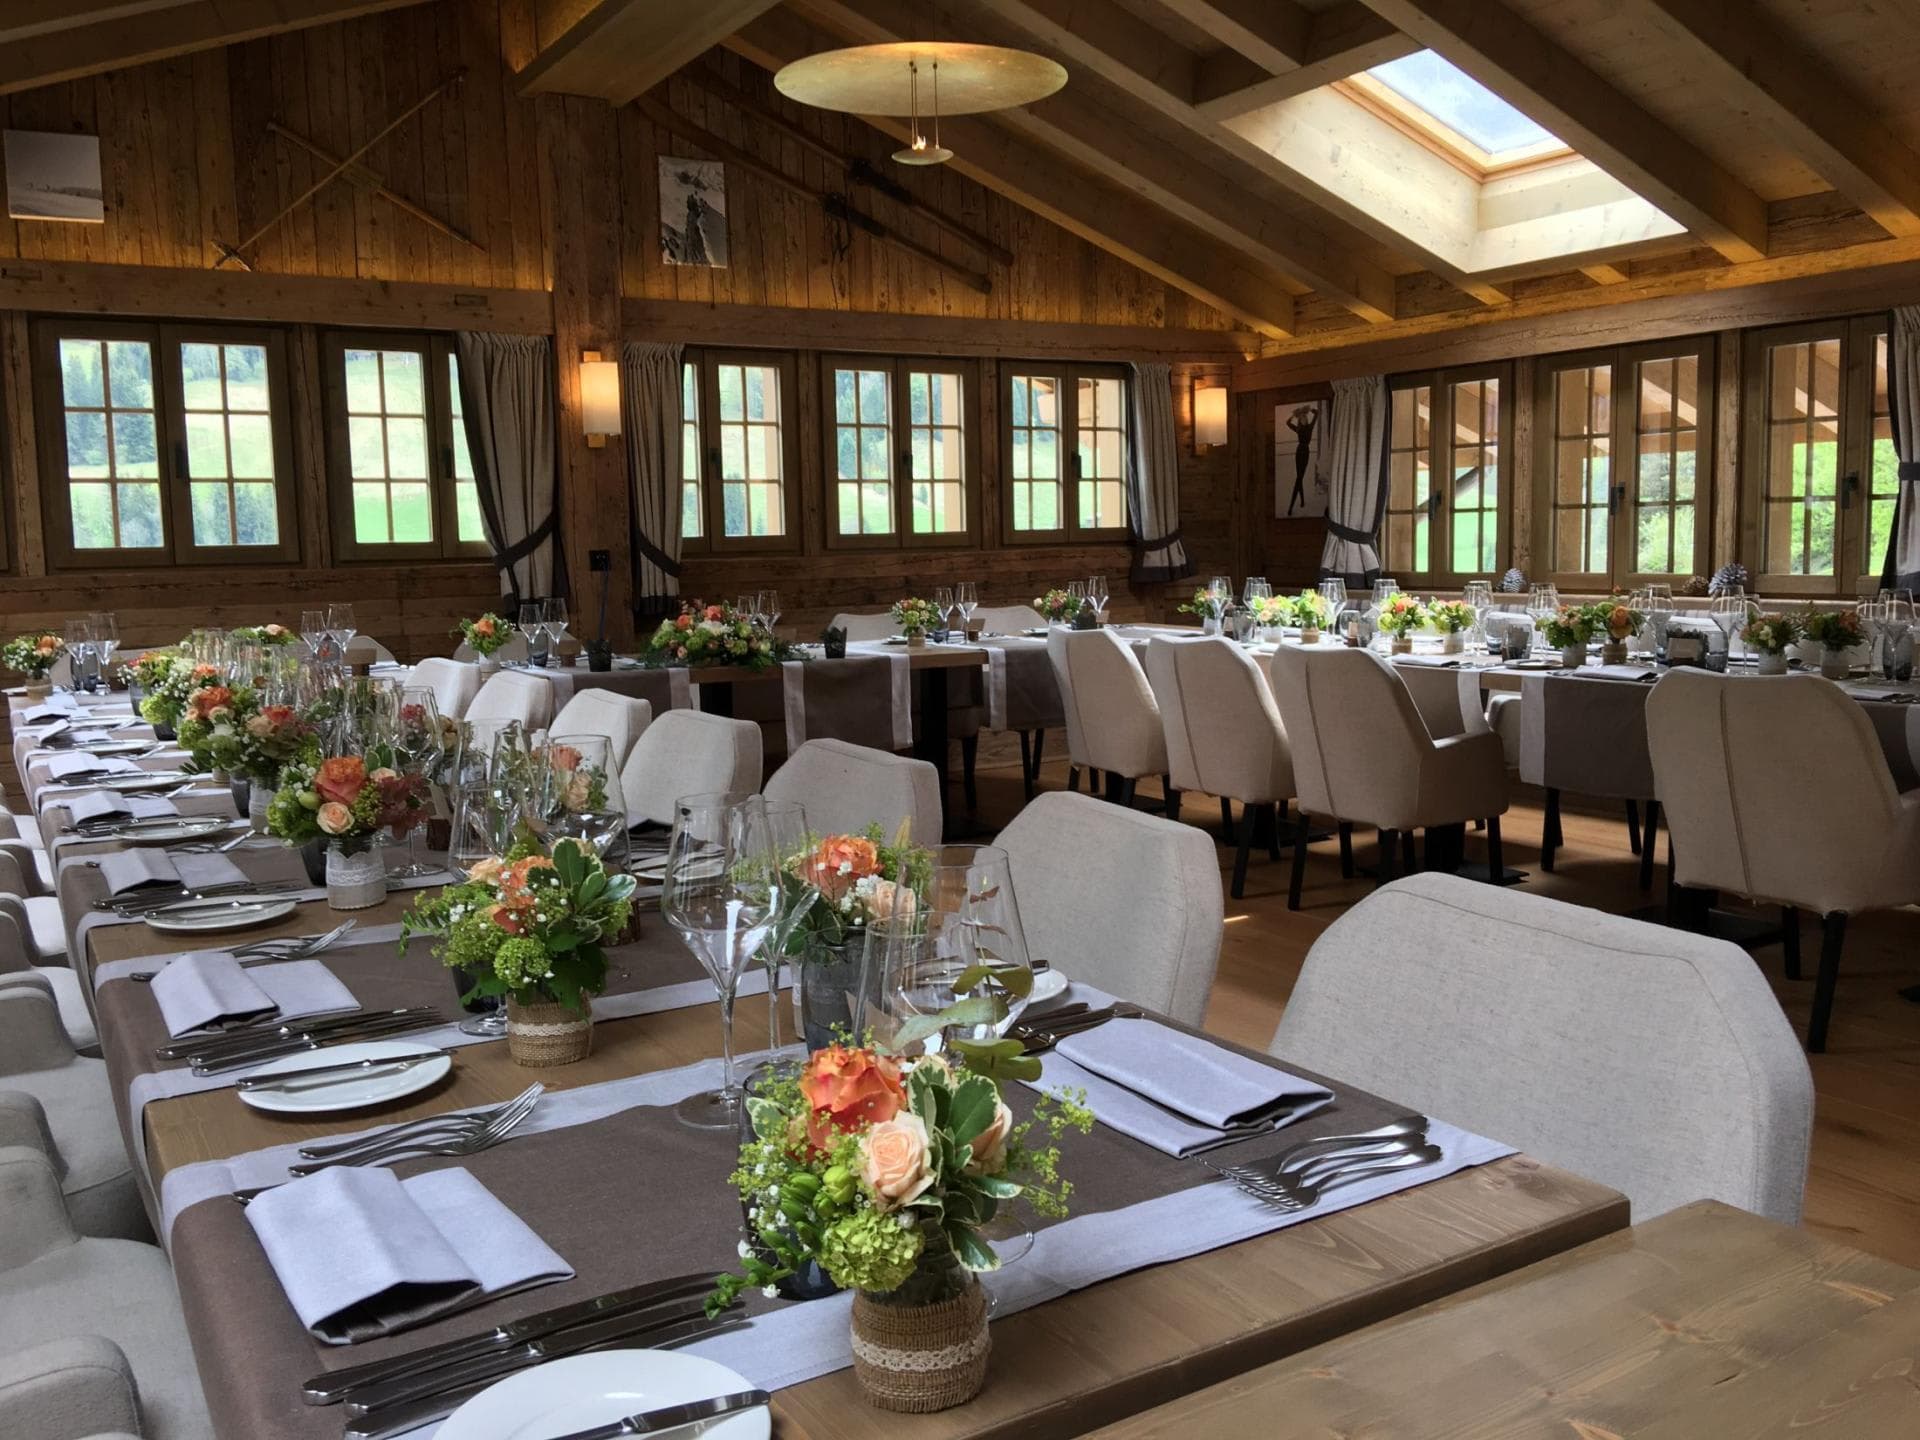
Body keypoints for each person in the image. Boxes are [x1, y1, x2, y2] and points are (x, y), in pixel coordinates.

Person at [1285, 405, 1319, 516]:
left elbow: (1317, 413)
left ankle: (1297, 504)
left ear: (1306, 418)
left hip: (1305, 452)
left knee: (1300, 478)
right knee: (1299, 478)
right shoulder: (1299, 429)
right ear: (1300, 420)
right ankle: (1295, 505)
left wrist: (1309, 410)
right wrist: (1294, 415)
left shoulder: (1310, 427)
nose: (1303, 419)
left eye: (1304, 417)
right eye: (1301, 418)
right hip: (1299, 451)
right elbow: (1288, 423)